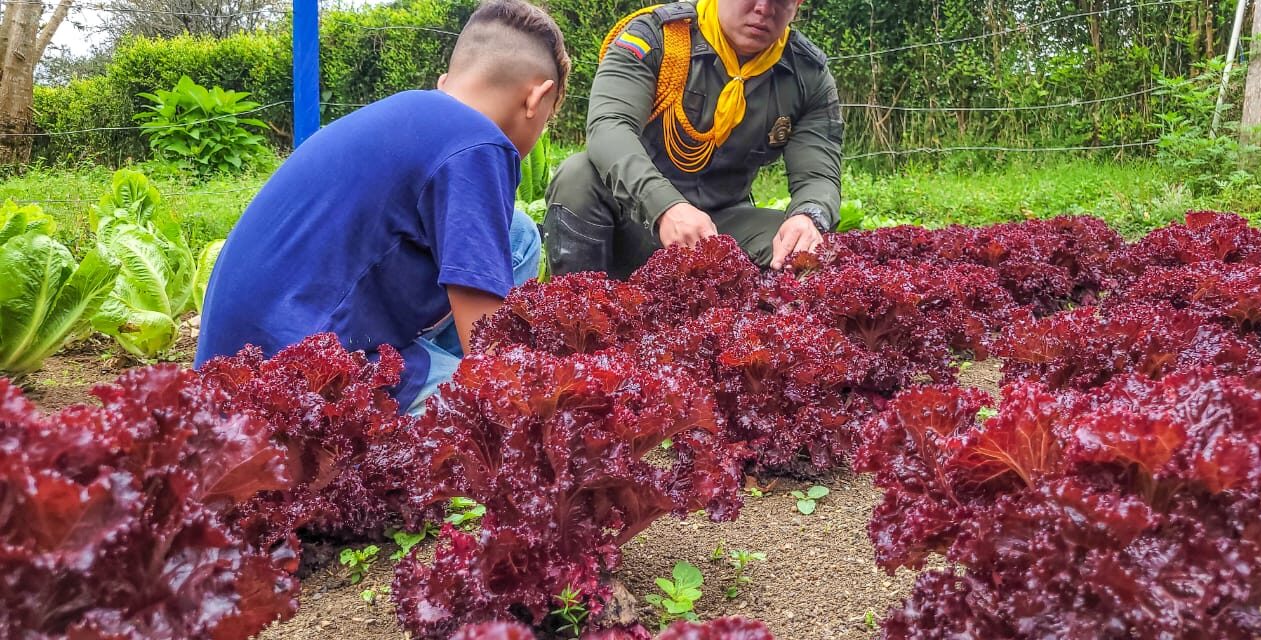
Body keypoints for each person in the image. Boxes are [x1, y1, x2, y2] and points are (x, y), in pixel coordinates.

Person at [195, 0, 570, 415]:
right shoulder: (478, 142)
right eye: (547, 121)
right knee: (506, 416)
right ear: (538, 97)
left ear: (448, 80)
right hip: (295, 384)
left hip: (235, 369)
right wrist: (536, 403)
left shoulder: (407, 114)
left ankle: (435, 376)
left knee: (516, 234)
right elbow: (493, 349)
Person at [544, 0, 842, 278]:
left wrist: (808, 218)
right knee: (577, 177)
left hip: (723, 227)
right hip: (633, 218)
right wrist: (665, 206)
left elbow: (818, 175)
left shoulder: (808, 73)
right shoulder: (656, 37)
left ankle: (738, 331)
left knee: (803, 250)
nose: (763, 8)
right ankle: (580, 319)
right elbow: (610, 126)